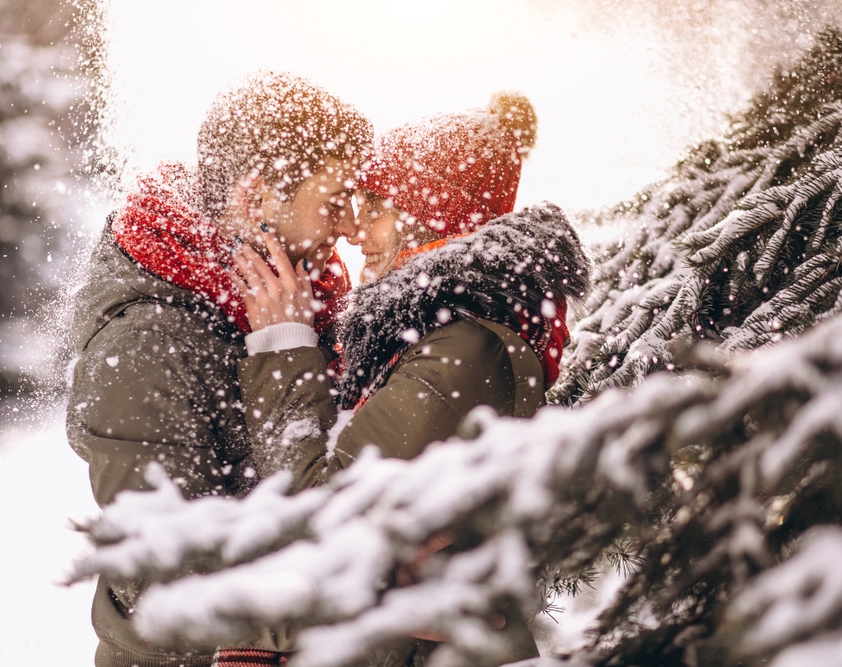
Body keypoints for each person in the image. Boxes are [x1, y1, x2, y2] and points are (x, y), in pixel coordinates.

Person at [224, 92, 592, 666]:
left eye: (375, 207)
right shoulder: (437, 334)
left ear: (427, 216)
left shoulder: (465, 349)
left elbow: (323, 516)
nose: (355, 231)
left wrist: (283, 345)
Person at [66, 70, 373, 667]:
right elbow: (167, 578)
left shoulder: (293, 299)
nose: (348, 228)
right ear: (255, 199)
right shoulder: (149, 343)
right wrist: (386, 598)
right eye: (333, 203)